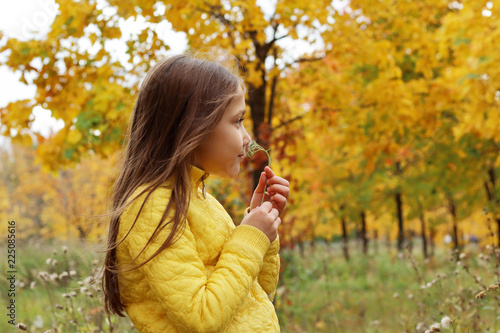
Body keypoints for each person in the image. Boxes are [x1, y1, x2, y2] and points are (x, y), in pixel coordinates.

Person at [102, 54, 290, 333]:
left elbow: (255, 298)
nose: (248, 138)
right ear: (194, 126)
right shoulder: (152, 206)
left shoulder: (203, 202)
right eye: (238, 121)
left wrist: (264, 232)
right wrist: (251, 238)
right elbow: (201, 318)